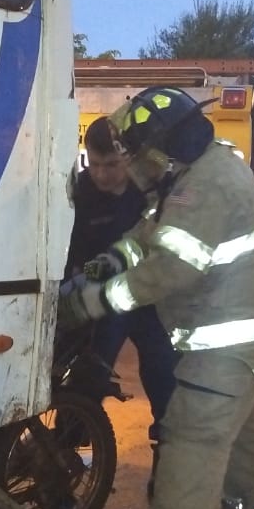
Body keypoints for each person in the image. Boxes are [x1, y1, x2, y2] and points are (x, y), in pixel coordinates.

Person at [58, 87, 254, 509]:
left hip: (228, 342)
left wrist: (93, 300)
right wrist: (111, 258)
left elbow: (170, 268)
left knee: (192, 429)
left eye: (135, 154)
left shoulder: (199, 188)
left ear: (157, 149)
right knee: (252, 429)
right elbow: (154, 230)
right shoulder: (210, 169)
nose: (132, 166)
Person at [66, 117, 177, 450]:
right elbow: (71, 256)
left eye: (111, 165)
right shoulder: (80, 192)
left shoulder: (148, 193)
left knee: (163, 375)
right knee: (86, 383)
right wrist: (89, 274)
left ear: (127, 158)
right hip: (101, 299)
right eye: (95, 164)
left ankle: (167, 451)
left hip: (146, 298)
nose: (102, 174)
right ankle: (65, 455)